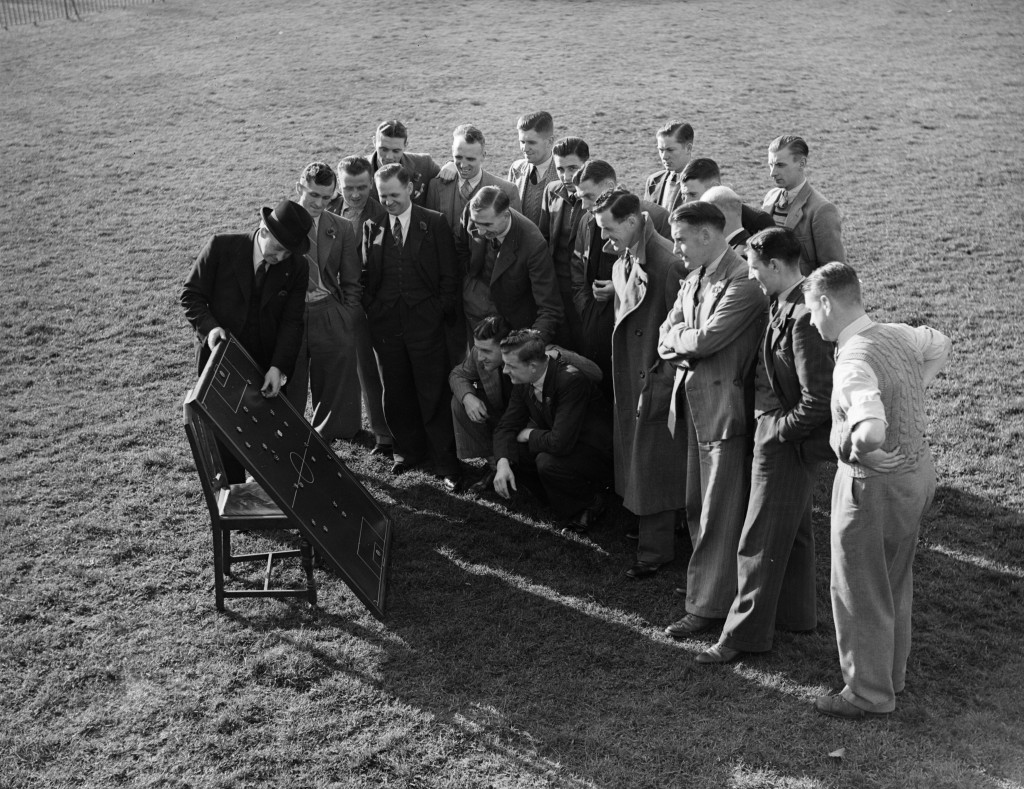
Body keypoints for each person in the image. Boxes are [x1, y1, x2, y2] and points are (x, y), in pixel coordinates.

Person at [802, 262, 951, 720]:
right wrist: (914, 389)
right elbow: (941, 343)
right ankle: (892, 676)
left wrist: (856, 446)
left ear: (826, 301)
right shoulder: (897, 334)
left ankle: (868, 694)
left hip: (874, 486)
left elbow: (869, 427)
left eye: (812, 310)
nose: (811, 320)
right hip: (917, 474)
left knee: (858, 587)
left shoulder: (853, 360)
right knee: (893, 579)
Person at [695, 227, 835, 664]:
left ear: (775, 265)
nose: (751, 277)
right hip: (780, 436)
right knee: (791, 531)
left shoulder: (803, 317)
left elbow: (819, 399)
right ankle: (796, 615)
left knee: (756, 539)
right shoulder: (787, 301)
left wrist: (778, 431)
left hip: (781, 441)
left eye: (755, 268)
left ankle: (741, 636)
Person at [658, 202, 767, 635]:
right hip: (697, 408)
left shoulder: (742, 283)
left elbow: (704, 340)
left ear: (707, 235)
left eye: (682, 238)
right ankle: (705, 593)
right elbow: (671, 333)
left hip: (723, 415)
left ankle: (706, 607)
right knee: (697, 506)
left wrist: (679, 338)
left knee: (717, 514)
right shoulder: (697, 276)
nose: (677, 247)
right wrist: (680, 337)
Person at [592, 189, 688, 577]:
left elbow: (683, 326)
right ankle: (653, 529)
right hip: (632, 377)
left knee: (655, 464)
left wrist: (660, 382)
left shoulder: (666, 264)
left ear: (633, 222)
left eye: (609, 229)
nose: (603, 239)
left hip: (652, 380)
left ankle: (656, 550)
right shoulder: (631, 252)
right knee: (642, 461)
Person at [181, 198, 311, 480]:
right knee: (223, 428)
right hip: (220, 359)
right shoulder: (221, 247)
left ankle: (267, 493)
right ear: (263, 230)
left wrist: (279, 367)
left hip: (265, 362)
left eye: (288, 253)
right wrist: (211, 330)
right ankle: (234, 495)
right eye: (278, 249)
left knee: (266, 433)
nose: (280, 258)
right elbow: (191, 295)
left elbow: (292, 322)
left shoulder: (298, 268)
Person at [362, 164, 462, 489]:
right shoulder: (372, 226)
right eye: (383, 196)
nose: (388, 202)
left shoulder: (433, 223)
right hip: (387, 325)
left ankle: (445, 460)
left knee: (433, 390)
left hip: (426, 324)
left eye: (394, 195)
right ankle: (406, 452)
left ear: (411, 189)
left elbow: (450, 276)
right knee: (396, 390)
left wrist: (434, 311)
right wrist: (375, 310)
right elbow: (365, 276)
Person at [449, 315, 602, 494]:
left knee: (537, 454)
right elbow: (457, 375)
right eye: (478, 349)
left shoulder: (535, 354)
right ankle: (496, 465)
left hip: (541, 425)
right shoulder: (479, 354)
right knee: (458, 402)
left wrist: (555, 356)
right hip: (510, 416)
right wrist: (468, 397)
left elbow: (596, 373)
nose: (480, 356)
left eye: (486, 351)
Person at [492, 329, 613, 531]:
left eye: (510, 365)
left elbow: (560, 443)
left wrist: (530, 434)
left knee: (546, 462)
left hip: (595, 452)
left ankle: (591, 501)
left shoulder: (571, 380)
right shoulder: (524, 380)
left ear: (532, 366)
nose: (504, 370)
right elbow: (506, 426)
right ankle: (557, 501)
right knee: (514, 451)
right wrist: (503, 463)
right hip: (565, 444)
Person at [570, 159, 670, 396]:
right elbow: (577, 267)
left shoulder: (656, 216)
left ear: (610, 186)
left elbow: (656, 267)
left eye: (589, 196)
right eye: (580, 198)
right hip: (597, 322)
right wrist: (586, 309)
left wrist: (619, 289)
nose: (584, 205)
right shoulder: (588, 219)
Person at [284, 162, 365, 443]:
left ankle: (327, 440)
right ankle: (287, 437)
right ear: (299, 189)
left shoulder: (341, 228)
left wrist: (347, 316)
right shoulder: (279, 222)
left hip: (328, 312)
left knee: (334, 384)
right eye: (313, 195)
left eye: (326, 197)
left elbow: (352, 279)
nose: (319, 203)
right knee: (289, 383)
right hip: (290, 316)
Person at [326, 155, 394, 455]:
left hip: (363, 304)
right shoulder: (326, 209)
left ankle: (383, 434)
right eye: (349, 188)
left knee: (369, 368)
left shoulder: (381, 215)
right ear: (339, 186)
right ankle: (344, 424)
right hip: (328, 302)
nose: (355, 195)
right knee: (335, 366)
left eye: (363, 188)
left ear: (372, 185)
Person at [458, 186, 563, 344]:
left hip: (513, 324)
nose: (480, 232)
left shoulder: (533, 245)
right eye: (476, 224)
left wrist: (528, 344)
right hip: (476, 309)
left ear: (506, 215)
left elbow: (550, 308)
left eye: (487, 225)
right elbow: (461, 248)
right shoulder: (474, 213)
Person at [762, 135, 846, 275]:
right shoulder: (770, 197)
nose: (772, 173)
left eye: (780, 165)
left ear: (802, 163)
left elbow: (833, 270)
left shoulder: (822, 210)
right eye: (771, 165)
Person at [538, 136, 591, 350]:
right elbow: (544, 238)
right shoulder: (552, 191)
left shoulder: (596, 196)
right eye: (560, 169)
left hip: (585, 289)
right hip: (556, 288)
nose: (566, 176)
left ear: (587, 164)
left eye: (573, 168)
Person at [426, 124, 520, 241]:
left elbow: (513, 238)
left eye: (470, 159)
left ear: (483, 156)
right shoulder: (436, 186)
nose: (463, 165)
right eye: (458, 157)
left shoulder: (508, 190)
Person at [678, 157, 775, 238]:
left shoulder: (758, 222)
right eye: (683, 195)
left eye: (693, 195)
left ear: (715, 187)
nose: (686, 203)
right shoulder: (686, 222)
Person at [368, 119, 443, 206]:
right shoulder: (356, 169)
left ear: (405, 145)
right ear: (374, 142)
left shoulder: (425, 164)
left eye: (396, 151)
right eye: (384, 149)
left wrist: (451, 164)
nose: (389, 157)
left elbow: (447, 180)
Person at [508, 111, 557, 226]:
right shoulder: (516, 169)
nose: (524, 148)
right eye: (522, 142)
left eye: (531, 142)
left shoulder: (564, 175)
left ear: (550, 141)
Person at [644, 122, 693, 213]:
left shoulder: (702, 184)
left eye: (670, 150)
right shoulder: (653, 181)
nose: (664, 156)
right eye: (661, 150)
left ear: (688, 149)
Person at [700, 185, 755, 254]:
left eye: (705, 214)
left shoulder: (740, 255)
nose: (701, 222)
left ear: (719, 213)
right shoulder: (744, 248)